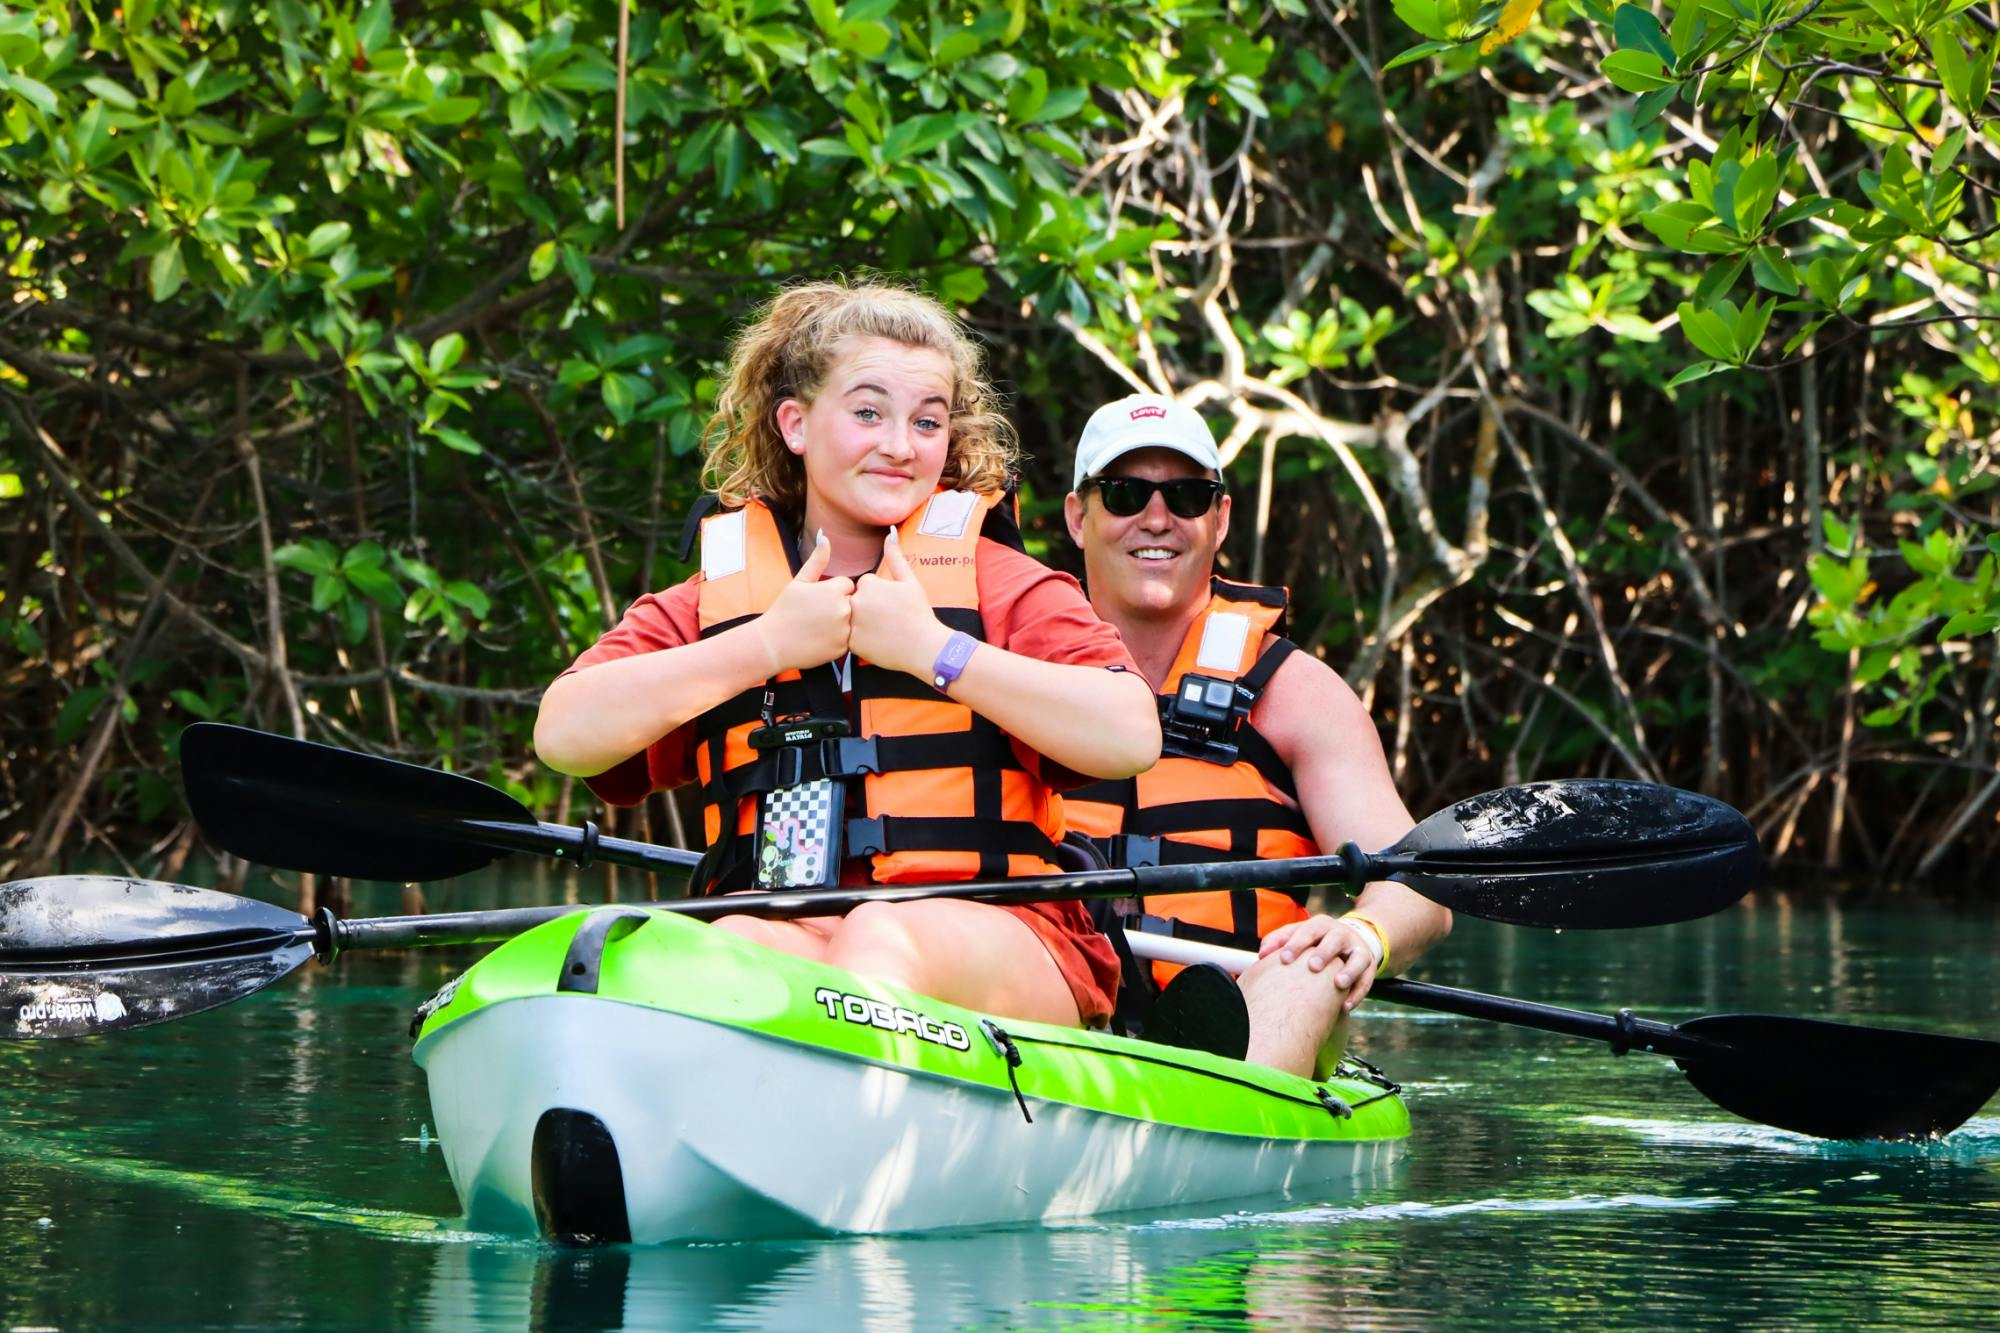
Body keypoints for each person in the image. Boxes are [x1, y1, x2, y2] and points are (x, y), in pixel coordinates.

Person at [534, 281, 1160, 1029]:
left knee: (881, 933)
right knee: (731, 942)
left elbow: (1129, 733)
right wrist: (768, 643)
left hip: (1003, 933)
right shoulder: (717, 604)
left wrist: (936, 649)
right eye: (868, 413)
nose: (900, 445)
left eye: (927, 421)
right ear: (795, 424)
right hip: (792, 920)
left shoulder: (1002, 584)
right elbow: (563, 735)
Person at [1061, 393, 1452, 1074]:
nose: (1157, 517)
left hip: (1242, 1003)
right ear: (1078, 516)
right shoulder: (1013, 672)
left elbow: (1417, 882)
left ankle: (1226, 1109)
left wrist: (1364, 931)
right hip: (1056, 990)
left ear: (1219, 519)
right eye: (1124, 493)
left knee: (1312, 962)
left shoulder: (1297, 694)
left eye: (1186, 495)